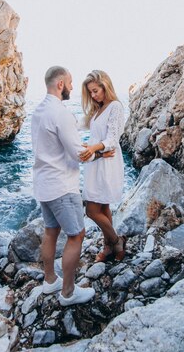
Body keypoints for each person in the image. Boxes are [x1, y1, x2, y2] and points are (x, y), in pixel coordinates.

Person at [31, 66, 112, 306]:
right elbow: (79, 154)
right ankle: (68, 292)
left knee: (50, 231)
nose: (72, 88)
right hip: (61, 186)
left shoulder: (38, 111)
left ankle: (49, 281)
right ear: (60, 84)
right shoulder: (61, 113)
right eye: (70, 83)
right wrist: (100, 153)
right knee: (76, 235)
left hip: (43, 184)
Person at [79, 70, 127, 262]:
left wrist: (93, 148)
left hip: (108, 160)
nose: (93, 95)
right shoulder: (97, 110)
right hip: (97, 160)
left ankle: (116, 241)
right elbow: (79, 127)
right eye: (90, 92)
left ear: (105, 86)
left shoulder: (115, 106)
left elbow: (112, 139)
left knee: (91, 210)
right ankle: (109, 246)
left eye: (95, 90)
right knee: (103, 204)